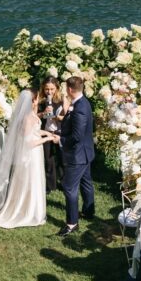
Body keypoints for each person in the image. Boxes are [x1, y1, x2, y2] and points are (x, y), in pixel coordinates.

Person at [0, 90, 55, 229]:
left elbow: (34, 131)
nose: (38, 100)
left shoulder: (31, 115)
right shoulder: (27, 118)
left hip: (35, 153)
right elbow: (28, 143)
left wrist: (46, 132)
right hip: (30, 155)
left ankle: (31, 209)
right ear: (33, 101)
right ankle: (28, 212)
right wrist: (48, 139)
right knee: (31, 182)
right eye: (37, 98)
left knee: (33, 181)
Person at [58, 76, 96, 236]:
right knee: (86, 182)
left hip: (78, 156)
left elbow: (77, 135)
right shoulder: (83, 102)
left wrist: (60, 139)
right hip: (86, 153)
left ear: (70, 90)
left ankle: (72, 223)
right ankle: (88, 211)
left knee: (69, 187)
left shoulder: (79, 107)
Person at [37, 76, 65, 193]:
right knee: (48, 160)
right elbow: (33, 116)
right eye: (47, 89)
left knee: (62, 159)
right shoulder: (41, 101)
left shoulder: (62, 100)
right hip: (46, 132)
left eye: (52, 89)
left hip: (59, 133)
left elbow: (67, 118)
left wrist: (56, 117)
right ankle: (50, 185)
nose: (49, 92)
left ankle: (64, 183)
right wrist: (43, 113)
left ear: (57, 88)